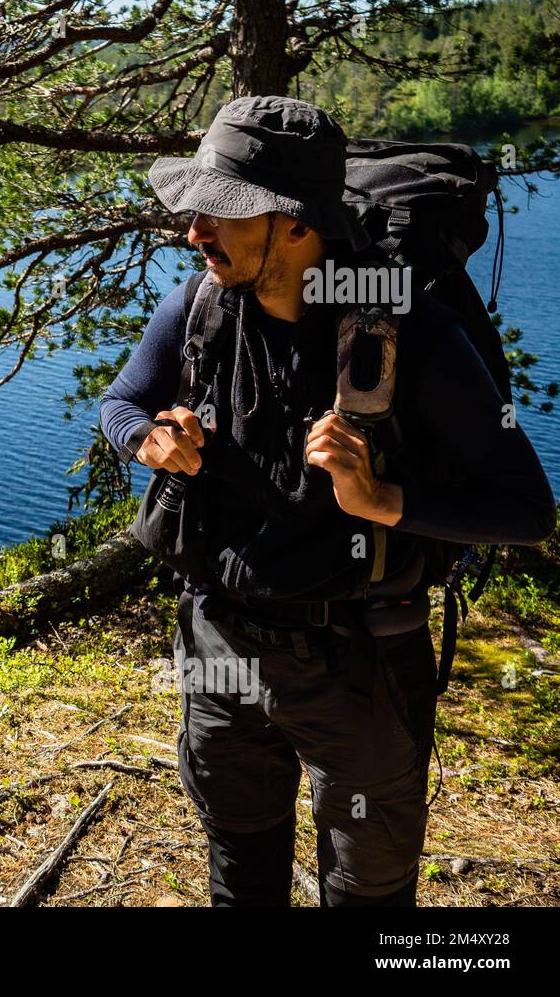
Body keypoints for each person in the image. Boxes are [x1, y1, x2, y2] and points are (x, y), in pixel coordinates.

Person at [99, 95, 555, 907]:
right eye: (196, 207)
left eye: (221, 211)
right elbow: (121, 403)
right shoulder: (201, 307)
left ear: (298, 225)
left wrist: (383, 500)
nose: (194, 229)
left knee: (368, 899)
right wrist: (148, 442)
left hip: (360, 666)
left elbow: (526, 508)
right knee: (241, 872)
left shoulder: (408, 334)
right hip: (219, 649)